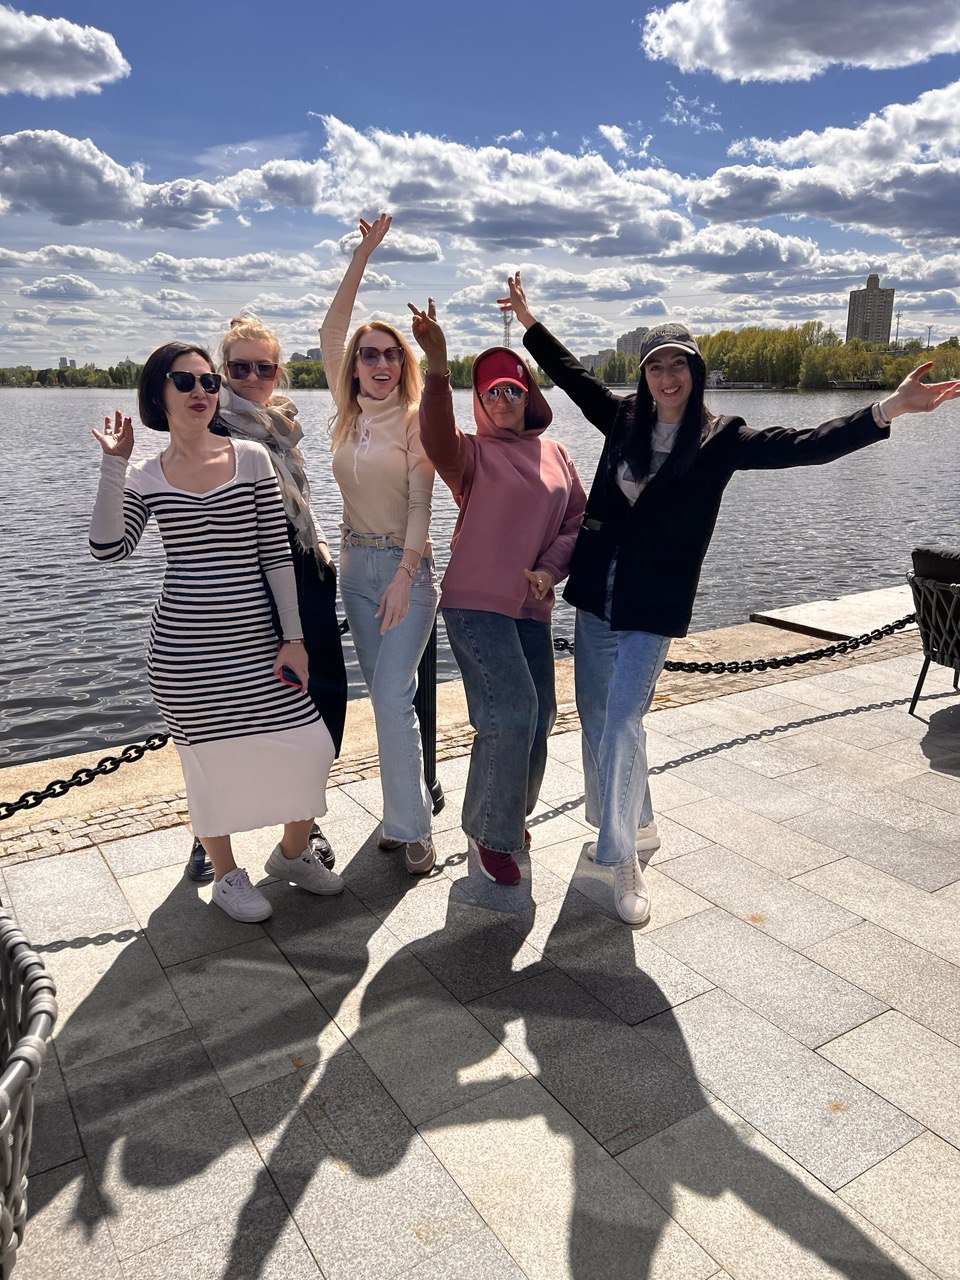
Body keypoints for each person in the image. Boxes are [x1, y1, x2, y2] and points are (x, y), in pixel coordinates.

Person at [502, 273, 960, 926]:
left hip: (653, 605)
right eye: (655, 366)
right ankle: (641, 821)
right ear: (644, 375)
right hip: (597, 597)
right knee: (601, 723)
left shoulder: (721, 440)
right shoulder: (624, 419)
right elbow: (573, 377)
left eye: (678, 365)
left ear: (695, 372)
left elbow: (807, 446)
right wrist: (528, 322)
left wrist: (887, 410)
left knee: (625, 721)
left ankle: (621, 857)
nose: (666, 377)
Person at [89, 342, 344, 922]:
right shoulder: (146, 475)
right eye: (185, 382)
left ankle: (292, 854)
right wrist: (114, 465)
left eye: (208, 381)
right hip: (184, 655)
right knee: (207, 768)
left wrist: (294, 639)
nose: (201, 391)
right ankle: (227, 876)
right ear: (158, 393)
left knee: (311, 747)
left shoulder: (250, 457)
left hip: (258, 645)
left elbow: (275, 554)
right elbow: (108, 548)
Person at [410, 299, 586, 884]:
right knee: (510, 712)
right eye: (491, 392)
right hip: (476, 604)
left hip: (532, 606)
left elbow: (576, 523)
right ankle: (491, 831)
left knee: (541, 715)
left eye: (513, 389)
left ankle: (506, 813)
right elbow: (435, 434)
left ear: (529, 395)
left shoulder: (558, 454)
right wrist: (438, 364)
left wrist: (551, 570)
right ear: (479, 402)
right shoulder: (471, 453)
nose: (503, 399)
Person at [183, 313, 347, 882]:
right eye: (240, 368)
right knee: (232, 708)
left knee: (319, 704)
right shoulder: (210, 427)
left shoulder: (282, 425)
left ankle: (300, 827)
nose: (253, 378)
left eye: (265, 367)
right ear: (223, 371)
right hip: (244, 585)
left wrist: (319, 545)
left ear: (279, 372)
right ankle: (211, 831)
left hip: (304, 573)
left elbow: (298, 502)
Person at [320, 215, 438, 874]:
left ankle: (414, 828)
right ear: (356, 366)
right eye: (370, 354)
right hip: (354, 567)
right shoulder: (349, 415)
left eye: (392, 354)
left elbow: (422, 503)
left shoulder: (416, 419)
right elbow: (331, 330)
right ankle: (401, 814)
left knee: (394, 697)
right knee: (385, 700)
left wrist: (405, 575)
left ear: (404, 363)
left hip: (404, 569)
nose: (382, 364)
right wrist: (363, 254)